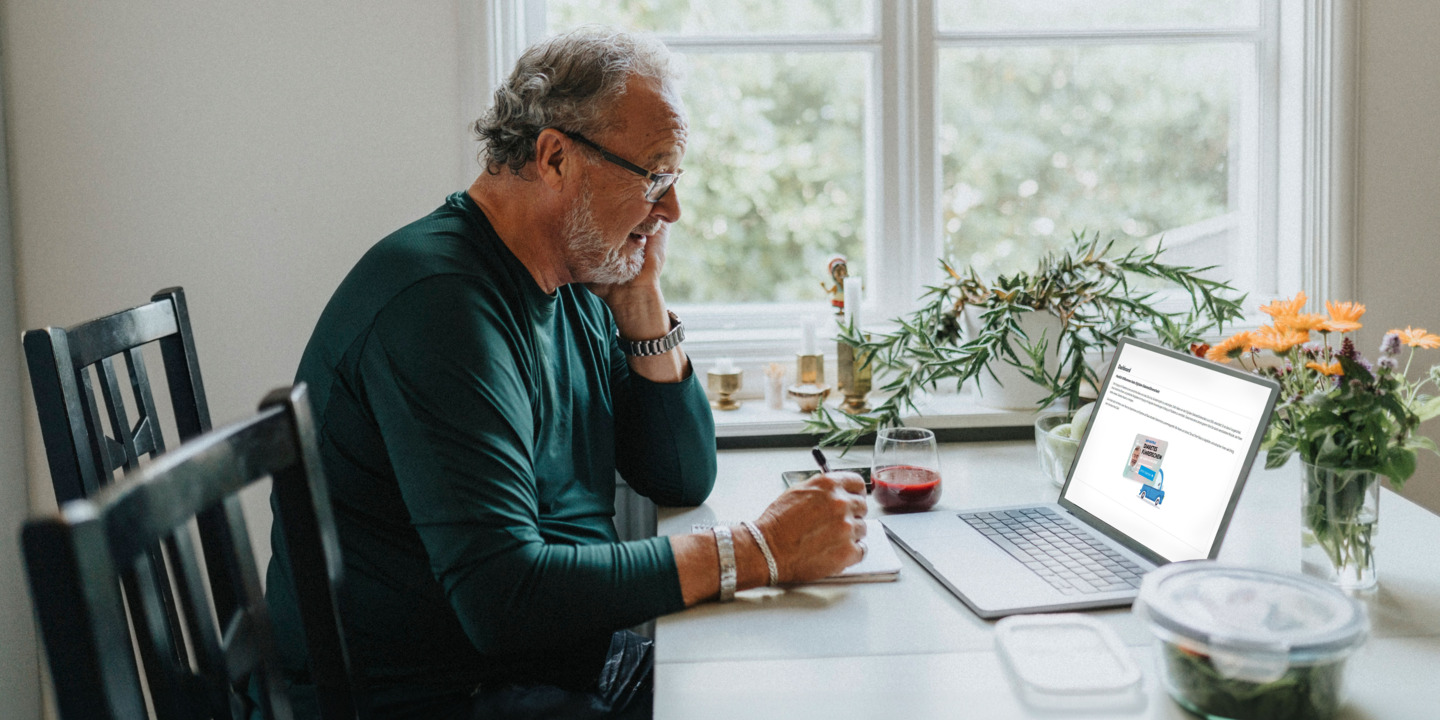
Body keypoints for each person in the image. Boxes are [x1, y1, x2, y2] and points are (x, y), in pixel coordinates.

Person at [263, 27, 869, 719]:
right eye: (657, 175)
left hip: (547, 669)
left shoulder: (571, 278)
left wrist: (643, 301)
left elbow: (679, 475)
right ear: (556, 158)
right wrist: (757, 550)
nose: (672, 209)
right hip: (437, 696)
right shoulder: (441, 304)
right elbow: (504, 597)